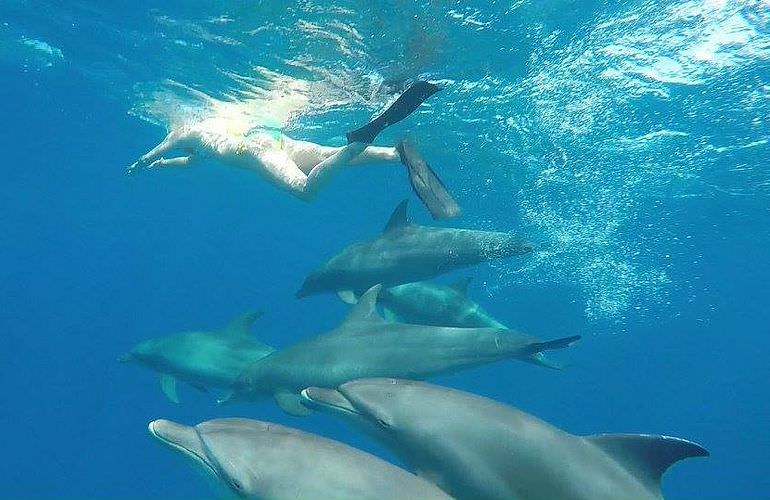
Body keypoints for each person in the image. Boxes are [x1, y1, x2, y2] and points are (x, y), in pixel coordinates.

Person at [128, 81, 460, 218]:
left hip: (254, 150)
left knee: (305, 190)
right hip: (273, 137)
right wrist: (164, 166)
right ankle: (395, 154)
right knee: (326, 158)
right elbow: (190, 162)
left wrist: (143, 163)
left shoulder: (184, 130)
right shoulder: (204, 134)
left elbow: (160, 148)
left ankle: (364, 137)